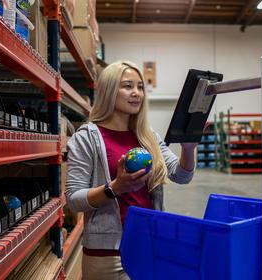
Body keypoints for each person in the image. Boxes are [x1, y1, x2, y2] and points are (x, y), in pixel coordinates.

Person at [66, 60, 197, 280]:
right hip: (108, 254)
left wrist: (188, 148)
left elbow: (181, 175)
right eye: (127, 86)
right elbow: (73, 199)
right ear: (109, 90)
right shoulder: (87, 137)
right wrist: (115, 187)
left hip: (148, 244)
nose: (136, 93)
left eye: (140, 87)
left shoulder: (148, 136)